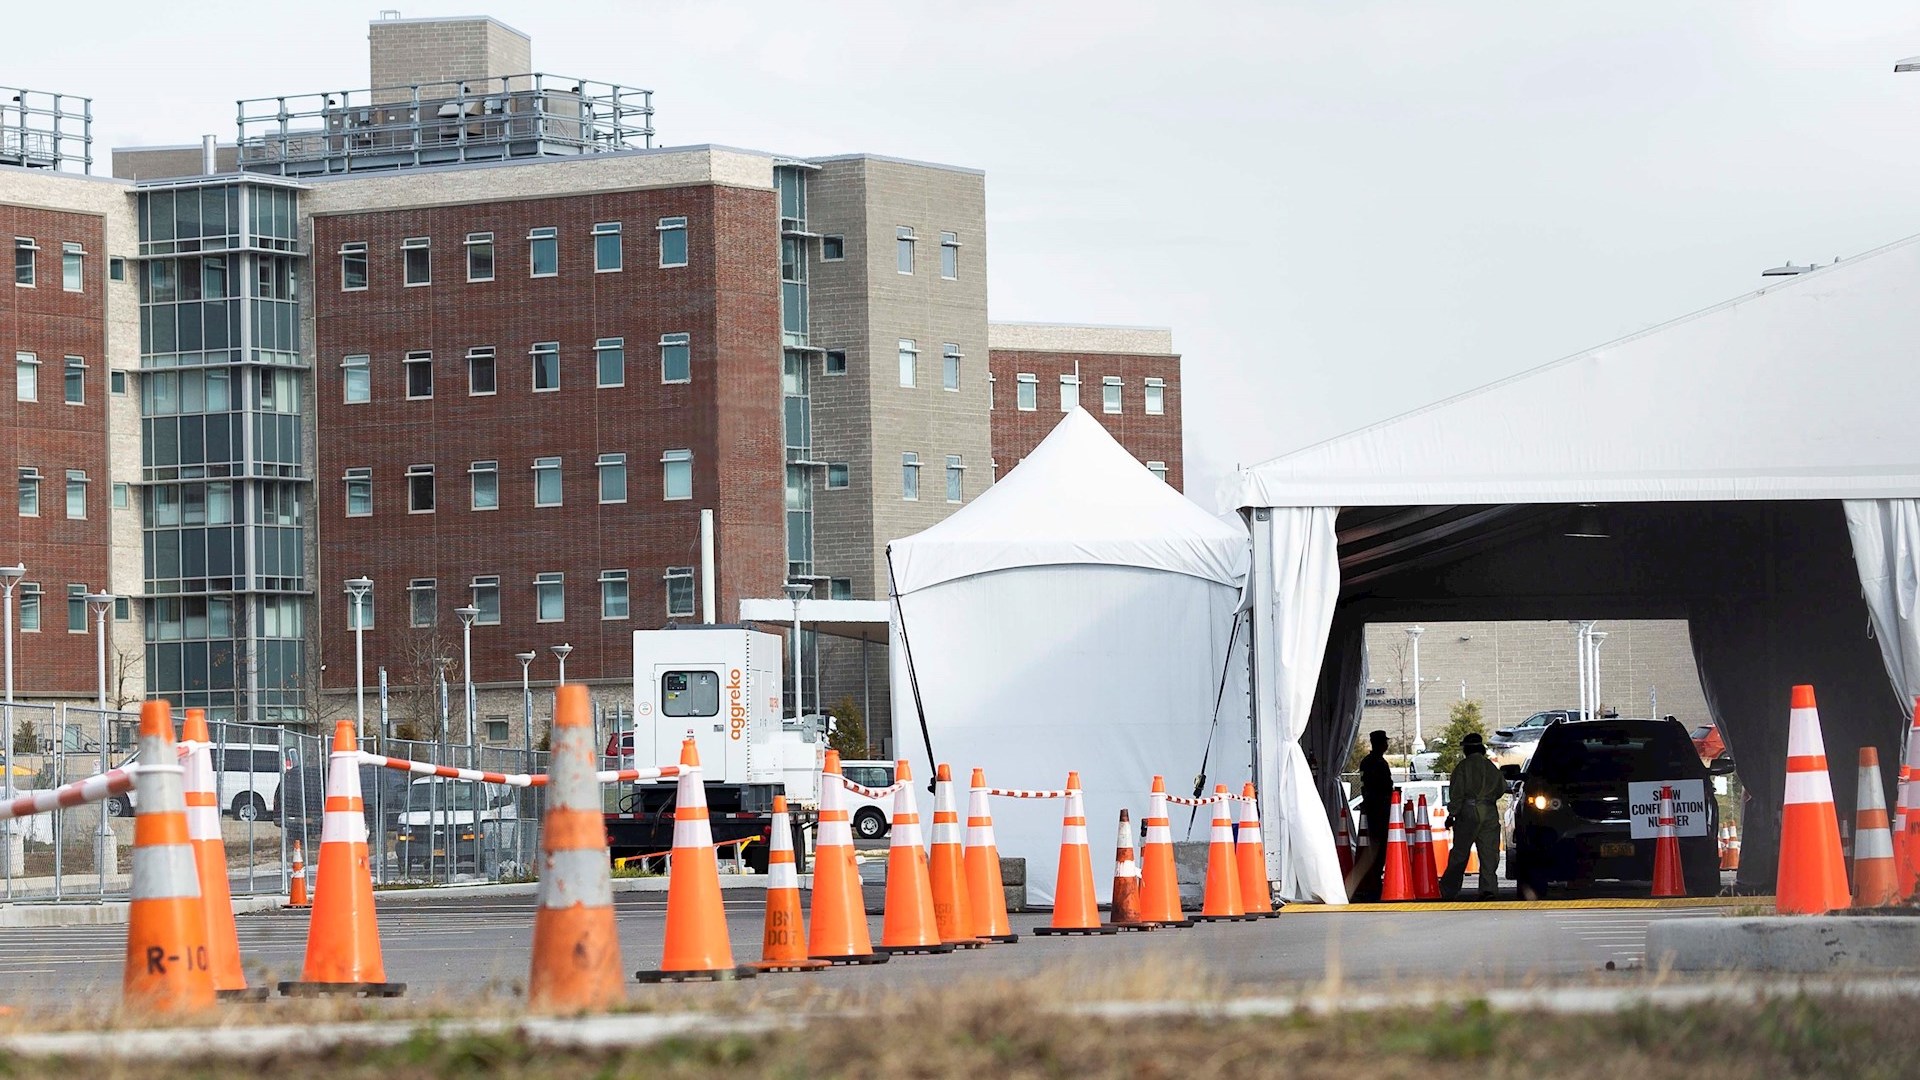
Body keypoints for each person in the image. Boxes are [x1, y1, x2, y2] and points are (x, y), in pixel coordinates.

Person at [1440, 732, 1505, 900]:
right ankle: (1488, 889)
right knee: (1489, 854)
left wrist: (1451, 814)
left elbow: (1457, 794)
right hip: (1489, 812)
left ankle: (1449, 890)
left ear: (1467, 749)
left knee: (1460, 853)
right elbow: (1501, 789)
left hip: (1467, 813)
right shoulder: (1491, 767)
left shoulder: (1463, 767)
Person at [1351, 730, 1394, 902]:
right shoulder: (1375, 763)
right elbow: (1377, 787)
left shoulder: (1368, 762)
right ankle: (1374, 882)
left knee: (1377, 846)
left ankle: (1373, 881)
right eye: (1384, 742)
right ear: (1379, 743)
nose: (1386, 744)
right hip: (1379, 809)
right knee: (1378, 846)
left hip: (1374, 806)